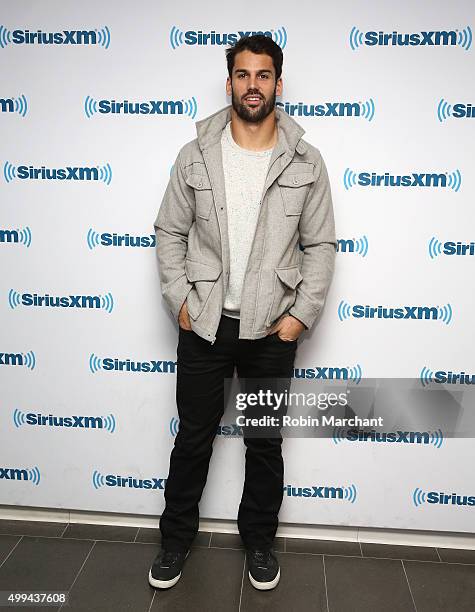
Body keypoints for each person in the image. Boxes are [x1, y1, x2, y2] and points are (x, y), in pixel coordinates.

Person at [149, 34, 336, 591]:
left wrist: (299, 317)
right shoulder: (196, 154)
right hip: (205, 325)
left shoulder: (306, 160)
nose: (252, 86)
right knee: (193, 439)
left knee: (263, 443)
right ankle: (174, 542)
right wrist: (179, 299)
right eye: (242, 75)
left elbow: (320, 246)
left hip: (271, 328)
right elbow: (169, 231)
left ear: (278, 83)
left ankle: (258, 541)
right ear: (229, 80)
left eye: (263, 76)